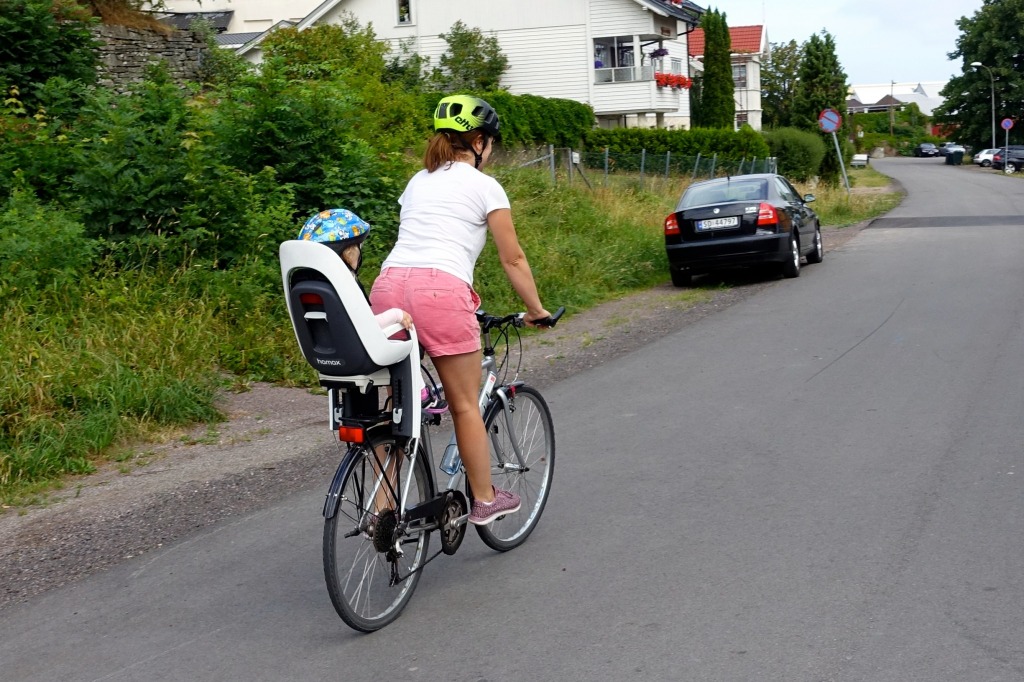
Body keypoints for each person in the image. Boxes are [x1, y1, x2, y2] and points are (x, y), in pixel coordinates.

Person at [369, 94, 552, 526]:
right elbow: (513, 259)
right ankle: (486, 500)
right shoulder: (485, 186)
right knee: (465, 405)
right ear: (479, 141)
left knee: (395, 407)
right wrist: (536, 310)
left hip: (389, 289)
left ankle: (382, 511)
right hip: (441, 293)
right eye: (492, 141)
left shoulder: (418, 180)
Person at [297, 208, 412, 330]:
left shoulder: (304, 282)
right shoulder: (344, 285)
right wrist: (397, 315)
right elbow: (366, 326)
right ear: (349, 252)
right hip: (358, 348)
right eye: (359, 246)